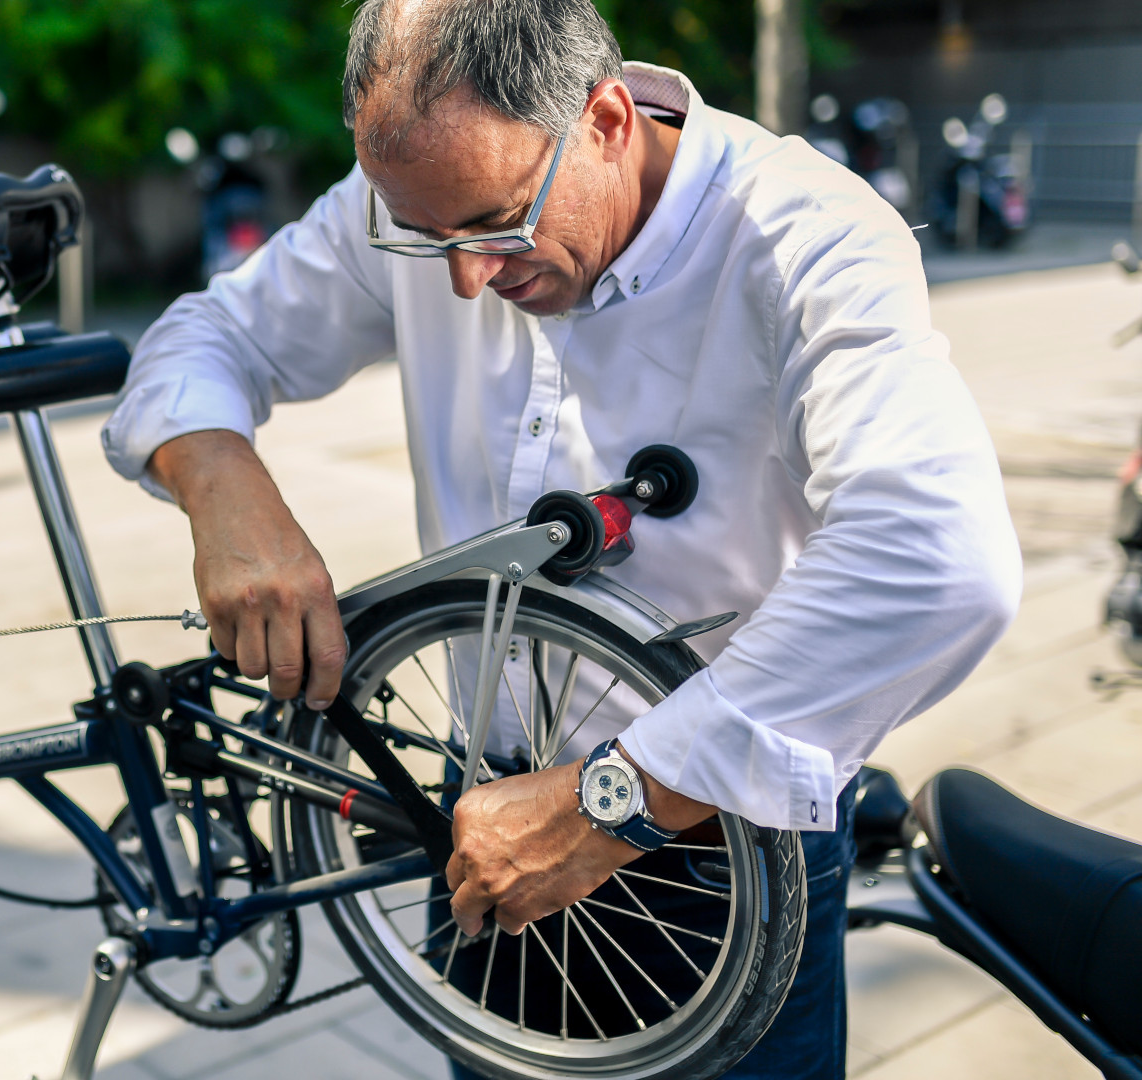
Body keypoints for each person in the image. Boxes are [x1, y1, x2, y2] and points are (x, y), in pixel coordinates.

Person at [99, 0, 1021, 1075]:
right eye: (425, 236)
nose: (463, 279)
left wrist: (609, 804)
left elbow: (938, 555)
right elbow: (205, 335)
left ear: (610, 120)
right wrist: (227, 497)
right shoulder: (428, 191)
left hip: (717, 842)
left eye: (495, 222)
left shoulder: (805, 237)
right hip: (482, 828)